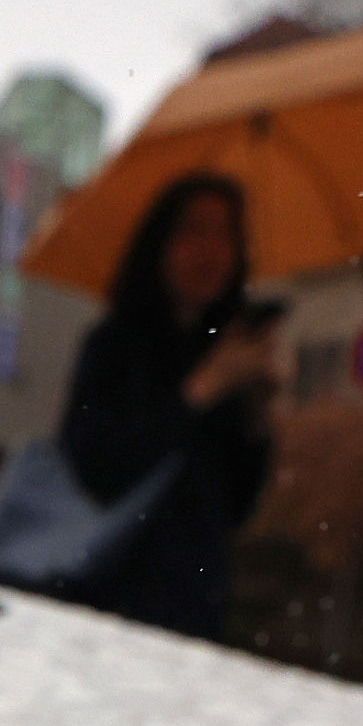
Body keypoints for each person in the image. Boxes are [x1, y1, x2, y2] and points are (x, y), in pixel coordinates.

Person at [55, 172, 280, 640]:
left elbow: (236, 506)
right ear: (158, 243)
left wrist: (257, 416)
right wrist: (201, 390)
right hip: (105, 604)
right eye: (194, 230)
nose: (210, 250)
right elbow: (97, 468)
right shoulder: (114, 345)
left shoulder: (230, 353)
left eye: (226, 234)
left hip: (195, 611)